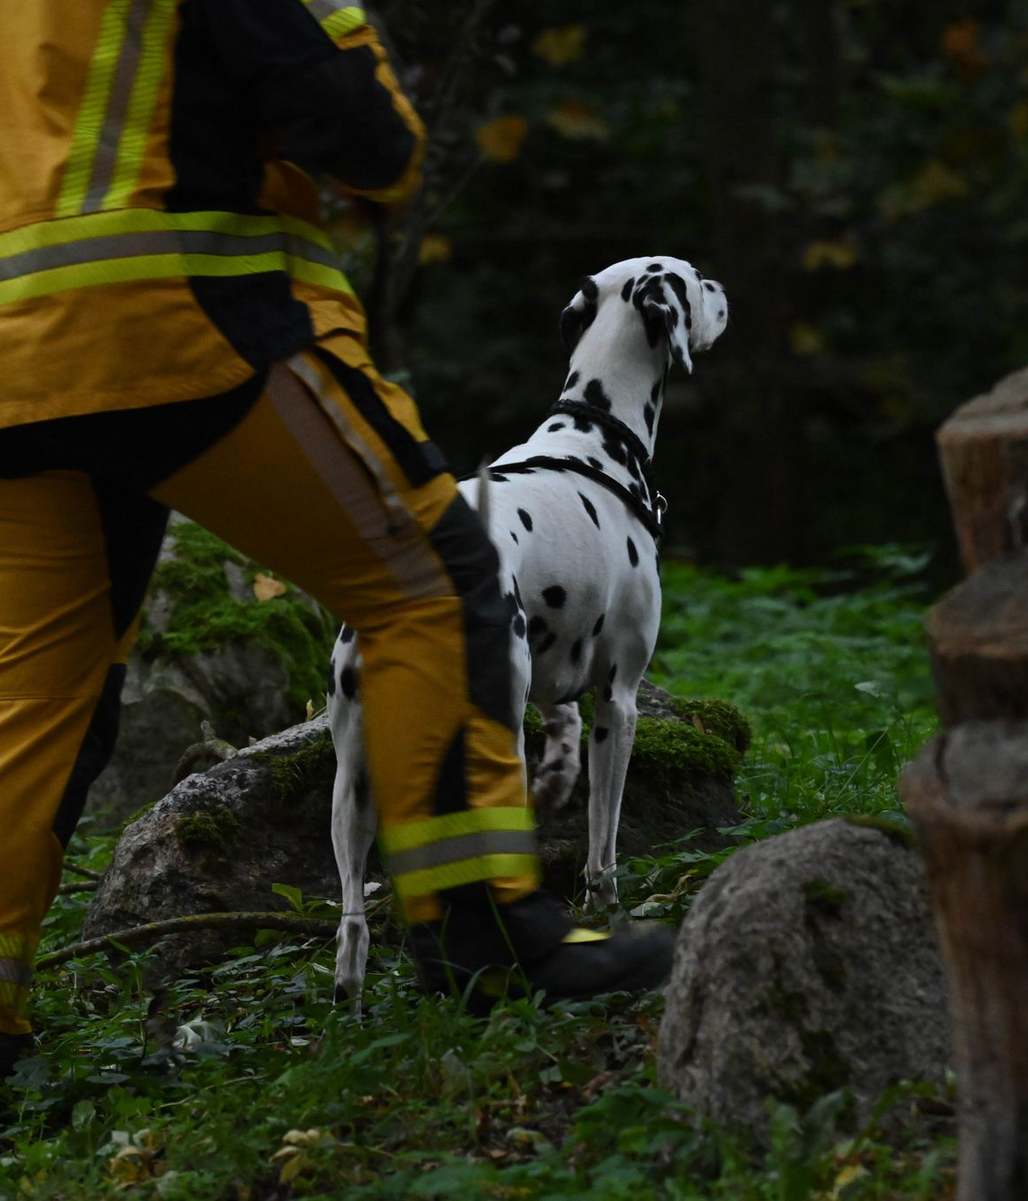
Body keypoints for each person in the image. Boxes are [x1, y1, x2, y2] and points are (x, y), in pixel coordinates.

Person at [0, 0, 672, 1081]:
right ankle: (484, 931)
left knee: (36, 703)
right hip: (176, 316)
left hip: (15, 356)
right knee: (437, 582)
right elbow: (362, 130)